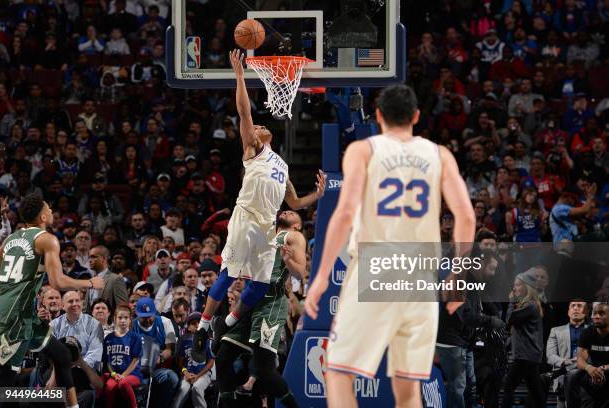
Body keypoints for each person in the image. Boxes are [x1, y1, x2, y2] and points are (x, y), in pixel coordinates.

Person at [305, 84, 476, 408]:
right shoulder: (440, 155)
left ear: (379, 116)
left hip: (376, 267)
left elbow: (343, 214)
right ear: (416, 116)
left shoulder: (363, 150)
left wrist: (322, 276)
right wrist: (455, 277)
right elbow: (466, 217)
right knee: (408, 387)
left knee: (338, 374)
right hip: (421, 277)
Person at [195, 49, 326, 349]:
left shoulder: (281, 164)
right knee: (229, 273)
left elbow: (293, 204)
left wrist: (316, 195)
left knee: (261, 284)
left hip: (267, 226)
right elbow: (244, 112)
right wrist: (240, 75)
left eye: (261, 126)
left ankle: (225, 324)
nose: (260, 126)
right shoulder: (253, 149)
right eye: (256, 127)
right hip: (246, 218)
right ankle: (203, 327)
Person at [0, 193, 104, 408]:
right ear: (42, 217)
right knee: (4, 384)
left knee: (62, 355)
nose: (51, 212)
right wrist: (91, 283)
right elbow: (57, 281)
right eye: (48, 209)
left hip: (21, 312)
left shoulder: (12, 238)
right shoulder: (47, 239)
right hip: (14, 317)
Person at [216, 209, 307, 408]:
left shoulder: (293, 236)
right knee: (222, 356)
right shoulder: (266, 235)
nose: (288, 210)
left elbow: (300, 273)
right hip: (250, 301)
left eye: (293, 213)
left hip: (270, 304)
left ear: (297, 225)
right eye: (286, 209)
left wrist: (288, 260)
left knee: (265, 370)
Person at [501, 268, 545, 407]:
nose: (514, 288)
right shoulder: (530, 305)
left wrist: (511, 302)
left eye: (518, 285)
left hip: (524, 356)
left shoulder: (529, 305)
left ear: (527, 287)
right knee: (536, 393)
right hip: (528, 356)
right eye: (514, 285)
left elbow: (509, 319)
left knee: (508, 388)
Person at [547, 299, 589, 408]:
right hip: (563, 380)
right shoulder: (555, 331)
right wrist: (563, 361)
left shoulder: (593, 330)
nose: (575, 308)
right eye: (573, 306)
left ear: (586, 312)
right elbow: (550, 356)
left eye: (579, 306)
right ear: (568, 312)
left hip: (586, 377)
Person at [171, 312, 214, 408]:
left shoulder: (207, 340)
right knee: (183, 389)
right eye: (193, 323)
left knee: (197, 387)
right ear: (189, 327)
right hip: (187, 373)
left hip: (203, 374)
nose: (198, 325)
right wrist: (185, 372)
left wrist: (198, 376)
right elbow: (180, 361)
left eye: (199, 322)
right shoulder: (183, 340)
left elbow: (211, 362)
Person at [103, 304, 142, 408]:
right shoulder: (108, 338)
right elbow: (107, 361)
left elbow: (135, 360)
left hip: (132, 374)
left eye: (126, 318)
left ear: (130, 320)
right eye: (120, 317)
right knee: (109, 387)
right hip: (115, 375)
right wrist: (114, 374)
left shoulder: (135, 337)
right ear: (115, 319)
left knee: (123, 383)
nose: (123, 320)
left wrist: (124, 375)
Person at [576, 300, 609, 407]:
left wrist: (603, 368)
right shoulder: (587, 332)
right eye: (594, 313)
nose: (597, 316)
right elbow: (580, 360)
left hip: (606, 370)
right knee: (572, 377)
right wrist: (589, 367)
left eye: (601, 313)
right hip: (593, 373)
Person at [85, 245, 128, 313]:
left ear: (104, 259)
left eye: (93, 257)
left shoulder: (116, 279)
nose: (90, 260)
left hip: (109, 323)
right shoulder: (90, 281)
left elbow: (123, 308)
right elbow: (86, 310)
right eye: (89, 257)